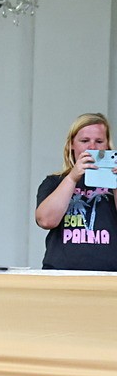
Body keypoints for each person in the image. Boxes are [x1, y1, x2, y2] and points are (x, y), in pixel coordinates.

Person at [35, 112, 117, 271]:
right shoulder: (54, 182)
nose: (92, 147)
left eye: (99, 141)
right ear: (72, 144)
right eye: (84, 141)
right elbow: (46, 221)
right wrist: (72, 178)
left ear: (107, 146)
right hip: (61, 274)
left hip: (109, 275)